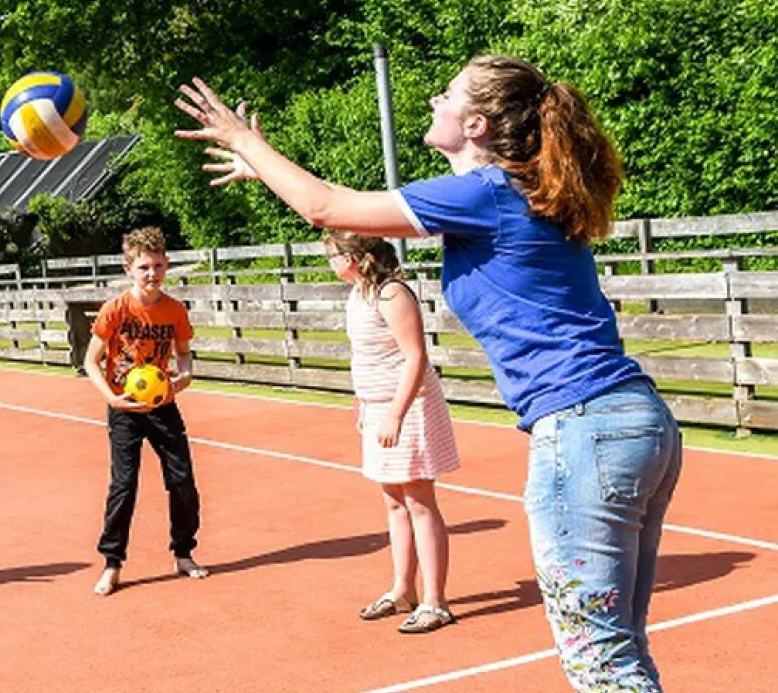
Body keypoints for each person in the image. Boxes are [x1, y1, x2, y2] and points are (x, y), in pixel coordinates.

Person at [177, 56, 682, 690]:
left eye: (446, 95)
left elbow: (329, 209)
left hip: (585, 430)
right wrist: (266, 169)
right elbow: (344, 206)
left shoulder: (489, 193)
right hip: (632, 421)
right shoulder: (524, 191)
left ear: (475, 123)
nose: (432, 100)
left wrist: (247, 139)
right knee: (617, 648)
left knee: (600, 661)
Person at [326, 232, 461, 634]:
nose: (330, 263)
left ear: (354, 257)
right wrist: (362, 401)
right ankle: (404, 590)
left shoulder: (392, 294)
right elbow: (366, 355)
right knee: (394, 502)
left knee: (419, 502)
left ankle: (436, 601)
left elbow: (415, 357)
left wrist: (396, 415)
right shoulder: (358, 294)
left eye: (333, 256)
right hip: (378, 407)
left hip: (409, 407)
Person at [82, 226, 208, 596]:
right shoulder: (115, 310)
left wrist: (183, 378)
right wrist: (111, 397)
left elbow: (183, 354)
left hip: (163, 405)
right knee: (124, 484)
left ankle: (183, 553)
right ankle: (112, 563)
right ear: (129, 270)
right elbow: (90, 361)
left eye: (157, 265)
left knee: (182, 480)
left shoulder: (174, 311)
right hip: (125, 408)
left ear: (166, 265)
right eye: (143, 268)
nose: (151, 274)